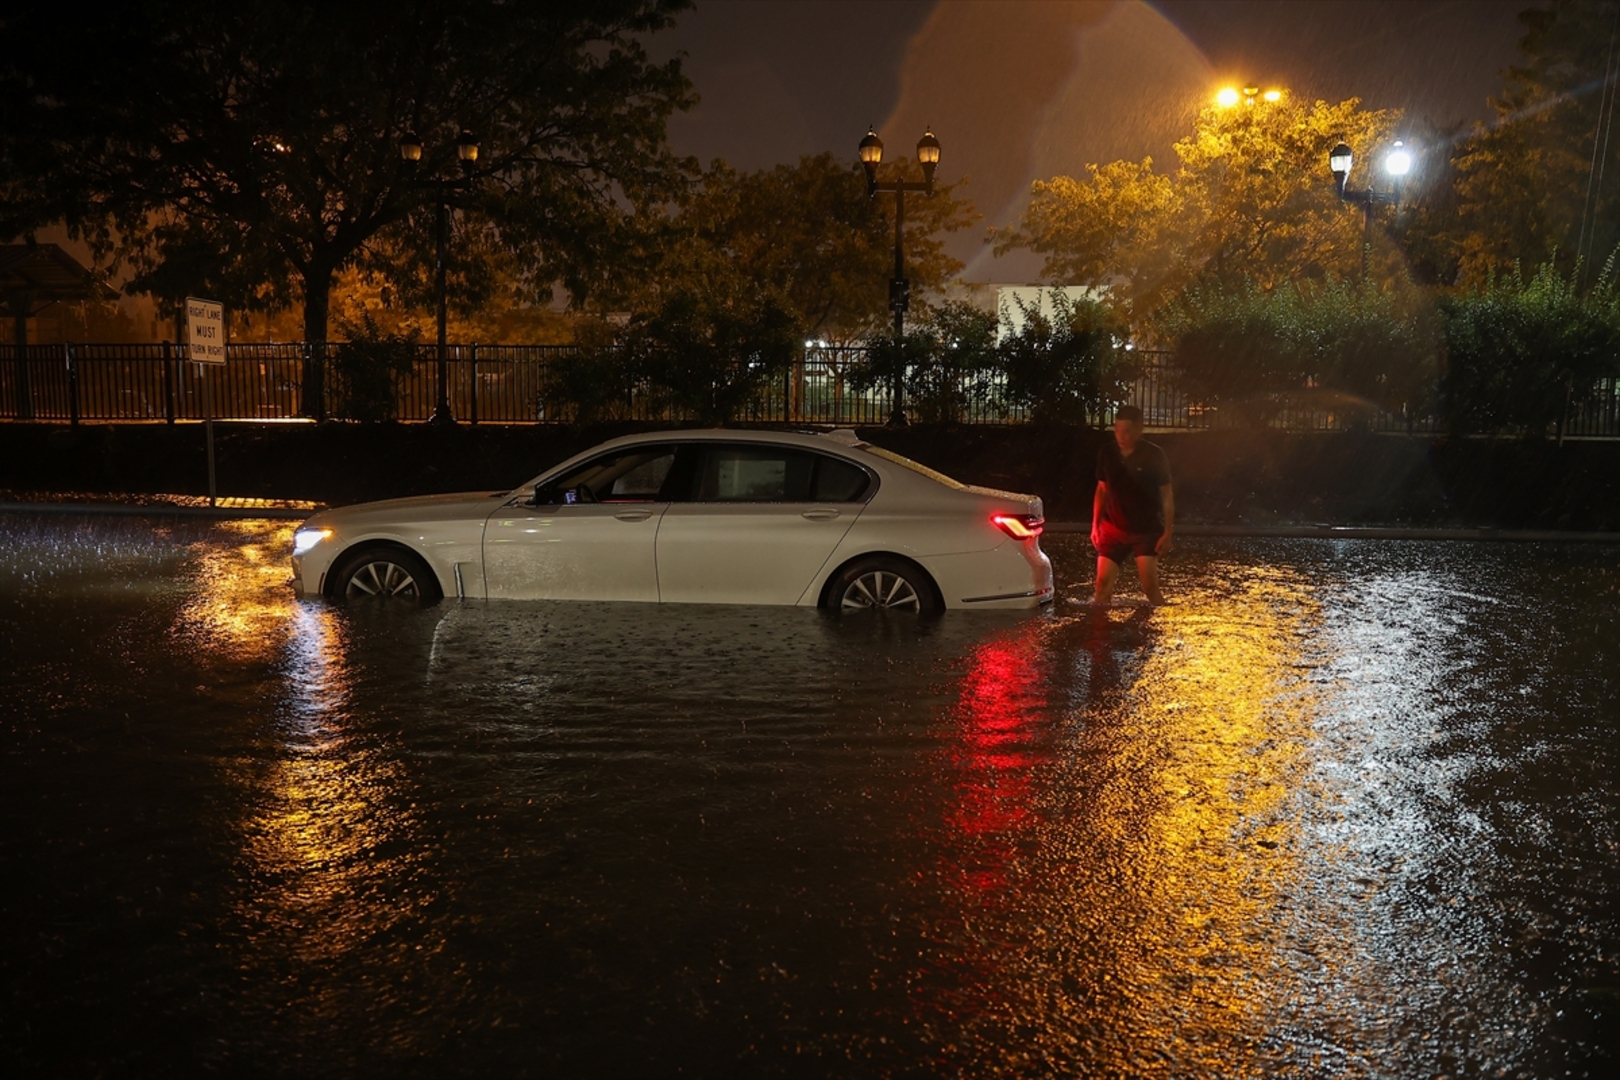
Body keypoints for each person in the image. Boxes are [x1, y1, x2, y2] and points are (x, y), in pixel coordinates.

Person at [1091, 405, 1174, 606]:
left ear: (1139, 429)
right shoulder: (1108, 453)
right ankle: (1100, 634)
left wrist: (1168, 532)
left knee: (1150, 588)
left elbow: (1167, 494)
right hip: (1112, 529)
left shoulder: (1154, 455)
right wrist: (1095, 525)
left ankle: (1158, 628)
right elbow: (1102, 489)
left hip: (1144, 530)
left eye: (1127, 431)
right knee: (1102, 587)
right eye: (1117, 430)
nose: (1121, 436)